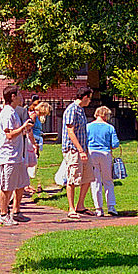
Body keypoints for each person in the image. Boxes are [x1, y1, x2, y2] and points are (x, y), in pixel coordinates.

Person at [0, 85, 34, 225]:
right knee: (7, 187)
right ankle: (3, 214)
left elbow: (16, 133)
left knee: (21, 184)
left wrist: (24, 130)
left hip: (18, 155)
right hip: (9, 156)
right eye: (19, 94)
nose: (21, 97)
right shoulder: (6, 113)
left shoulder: (13, 112)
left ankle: (16, 211)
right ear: (13, 96)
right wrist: (23, 127)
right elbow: (9, 135)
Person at [62, 87, 95, 219]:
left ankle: (80, 206)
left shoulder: (81, 110)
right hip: (73, 150)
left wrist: (85, 150)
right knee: (72, 178)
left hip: (83, 149)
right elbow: (71, 132)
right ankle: (71, 208)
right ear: (85, 97)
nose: (90, 101)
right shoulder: (72, 110)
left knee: (88, 177)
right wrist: (80, 150)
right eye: (90, 98)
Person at [87, 106, 120, 217]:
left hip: (92, 153)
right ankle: (111, 206)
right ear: (106, 115)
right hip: (105, 153)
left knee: (95, 181)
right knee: (108, 180)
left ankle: (98, 208)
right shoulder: (110, 128)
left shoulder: (88, 127)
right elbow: (115, 144)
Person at [26, 99, 52, 193]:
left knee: (33, 162)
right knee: (30, 163)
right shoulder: (33, 116)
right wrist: (34, 143)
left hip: (37, 138)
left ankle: (27, 184)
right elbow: (29, 130)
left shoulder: (37, 116)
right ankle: (26, 185)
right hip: (32, 140)